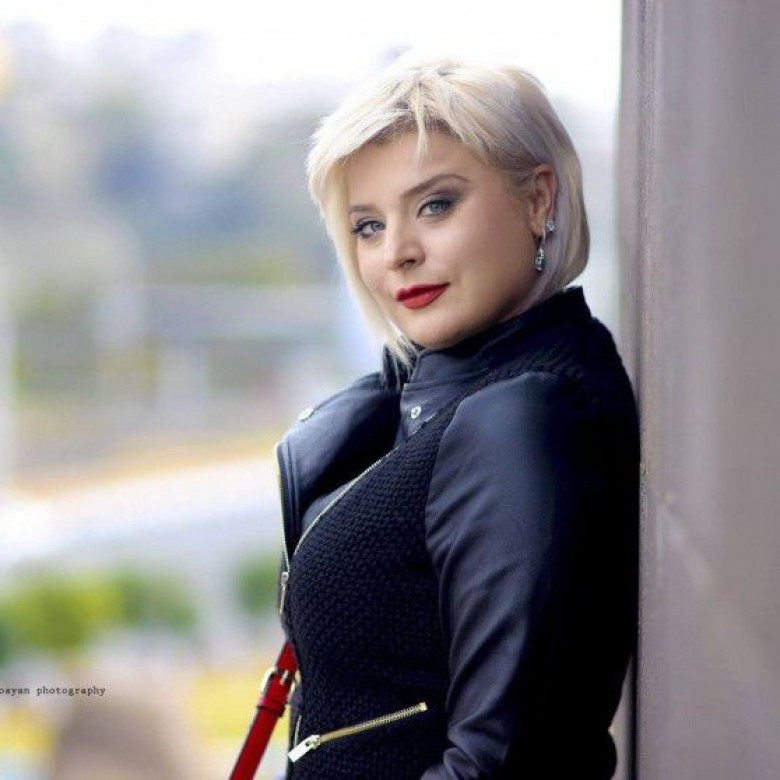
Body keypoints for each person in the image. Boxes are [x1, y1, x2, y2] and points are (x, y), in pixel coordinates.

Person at [274, 57, 639, 779]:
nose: (398, 253)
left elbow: (500, 765)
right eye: (368, 226)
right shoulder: (433, 399)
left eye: (436, 205)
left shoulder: (521, 419)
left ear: (538, 200)